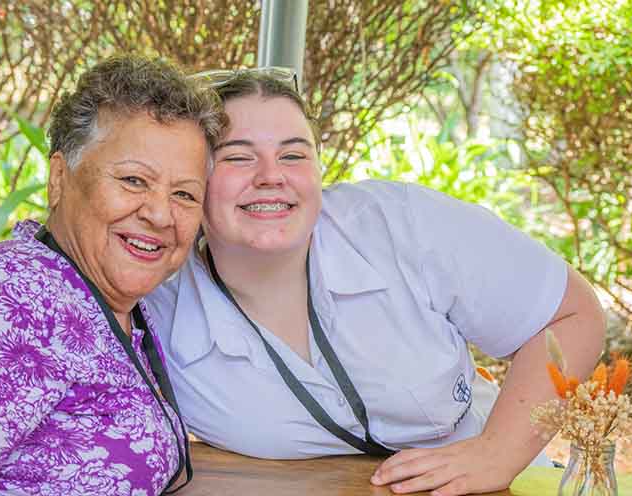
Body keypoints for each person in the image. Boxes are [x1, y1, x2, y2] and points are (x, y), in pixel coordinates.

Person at [145, 69, 605, 496]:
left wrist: (496, 453)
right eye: (238, 157)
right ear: (194, 179)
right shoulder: (154, 301)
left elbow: (572, 314)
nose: (271, 176)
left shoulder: (398, 223)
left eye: (293, 154)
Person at [0, 55, 225, 496]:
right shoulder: (8, 296)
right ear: (59, 178)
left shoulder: (109, 302)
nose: (161, 214)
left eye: (184, 194)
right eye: (134, 180)